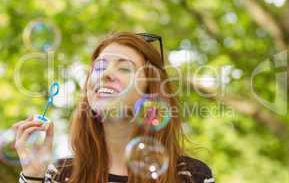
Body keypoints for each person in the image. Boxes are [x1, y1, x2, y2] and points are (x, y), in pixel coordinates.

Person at [12, 32, 215, 183]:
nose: (105, 74)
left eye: (124, 67)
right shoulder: (61, 174)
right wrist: (33, 176)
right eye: (99, 67)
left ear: (150, 91)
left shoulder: (189, 175)